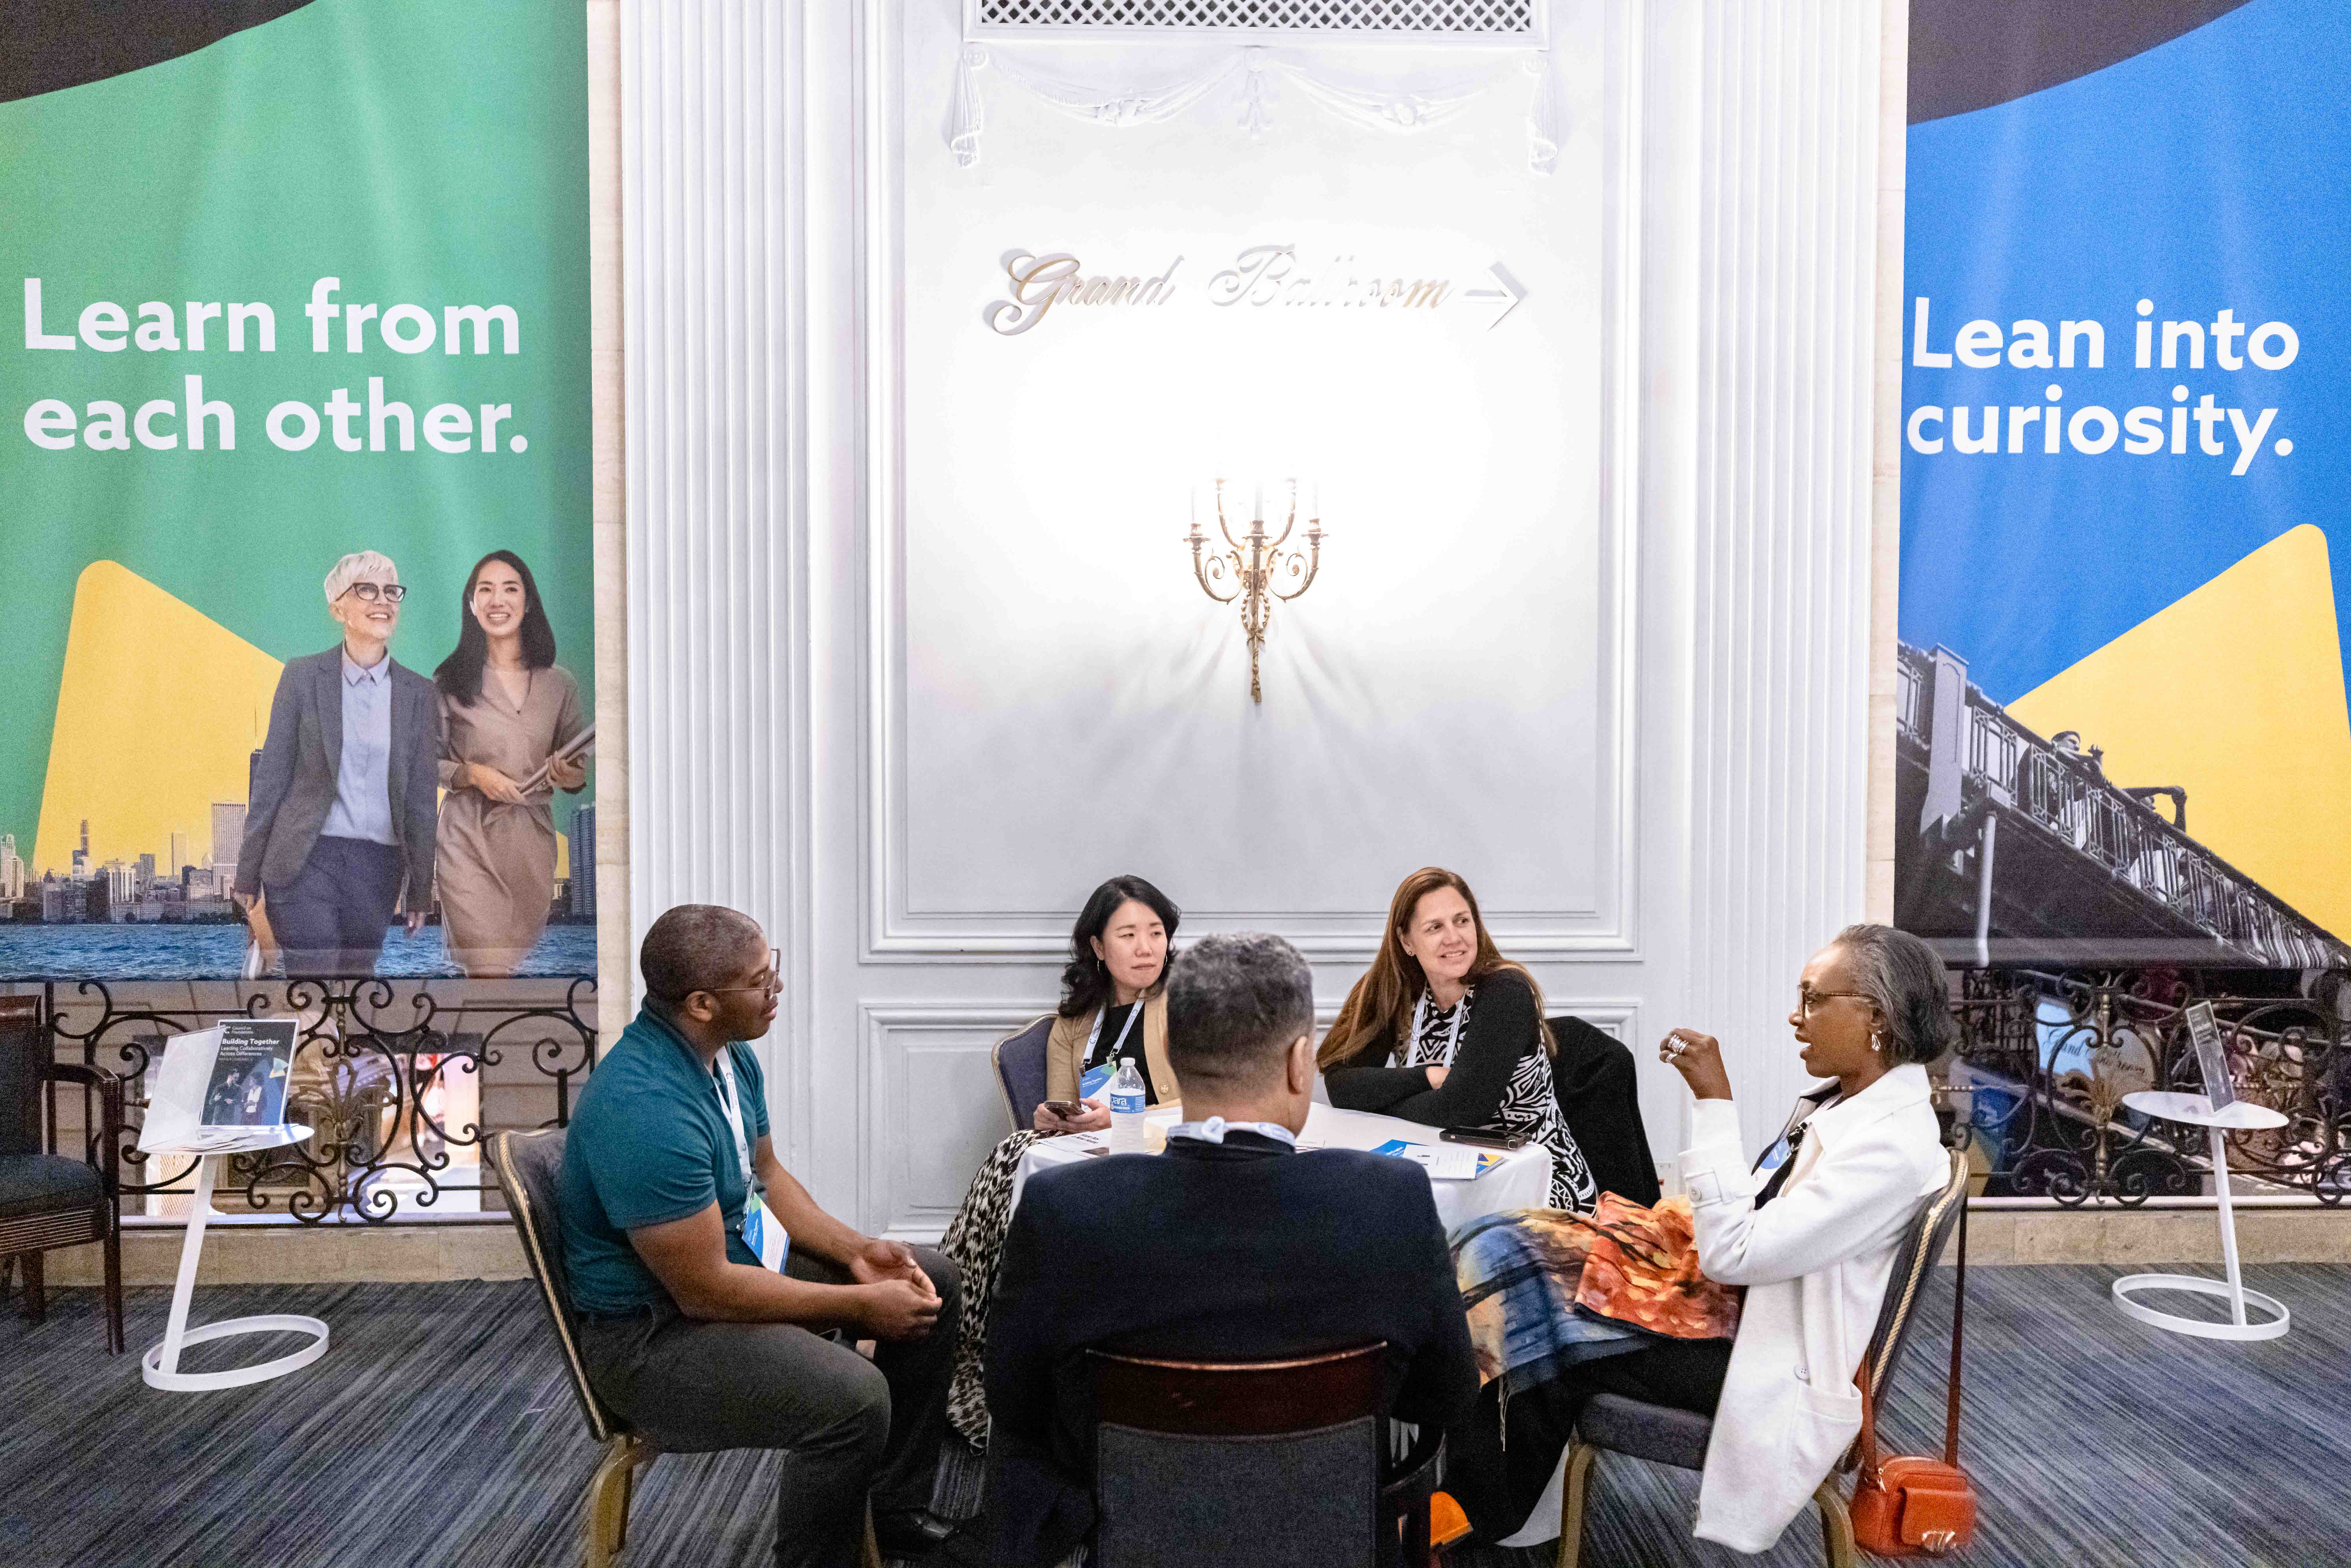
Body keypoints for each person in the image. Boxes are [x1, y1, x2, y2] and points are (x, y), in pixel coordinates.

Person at [1443, 923, 1954, 1555]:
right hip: (1740, 1312)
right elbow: (1759, 1219)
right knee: (1502, 1242)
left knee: (1530, 1318)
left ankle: (1466, 1527)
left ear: (1876, 1015)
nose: (1797, 1018)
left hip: (1762, 1357)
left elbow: (1736, 1251)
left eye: (1814, 999)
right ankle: (1471, 1517)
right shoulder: (1847, 1104)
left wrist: (1714, 1101)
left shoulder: (1891, 1145)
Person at [983, 932, 1480, 1568]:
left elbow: (1015, 1402)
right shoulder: (1393, 1200)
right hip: (1335, 1536)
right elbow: (1445, 1397)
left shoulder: (1064, 1206)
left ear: (1168, 1048)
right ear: (1302, 1063)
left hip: (1134, 1532)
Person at [560, 905, 966, 1567]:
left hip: (725, 1272)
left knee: (932, 1281)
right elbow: (707, 1292)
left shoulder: (728, 1058)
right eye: (759, 980)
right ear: (700, 1002)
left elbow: (766, 1177)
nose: (775, 988)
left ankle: (891, 1510)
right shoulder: (647, 1110)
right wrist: (857, 1305)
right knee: (852, 1398)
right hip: (652, 1338)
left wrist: (857, 1251)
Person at [937, 875, 1180, 1448]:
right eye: (1129, 934)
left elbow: (1210, 1102)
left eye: (1156, 933)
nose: (1147, 947)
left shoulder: (1190, 1005)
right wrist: (1056, 1114)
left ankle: (953, 1317)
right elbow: (1055, 1113)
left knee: (1010, 1155)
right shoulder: (1074, 1022)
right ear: (1098, 947)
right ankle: (973, 1337)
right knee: (1023, 1148)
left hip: (1164, 1161)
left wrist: (1127, 1119)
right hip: (1086, 1162)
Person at [1320, 866, 1606, 1212]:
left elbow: (1462, 1110)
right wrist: (1425, 1077)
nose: (1454, 937)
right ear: (1407, 941)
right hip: (1439, 1164)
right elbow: (1341, 1086)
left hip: (1537, 1183)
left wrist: (1381, 1102)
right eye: (1435, 927)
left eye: (1462, 921)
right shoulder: (1395, 990)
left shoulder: (1506, 990)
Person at [235, 551, 440, 977]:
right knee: (315, 981)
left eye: (391, 591)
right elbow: (271, 779)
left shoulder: (419, 693)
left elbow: (421, 799)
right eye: (366, 589)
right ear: (338, 608)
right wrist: (247, 875)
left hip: (379, 868)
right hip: (306, 860)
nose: (382, 600)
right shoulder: (302, 677)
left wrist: (421, 890)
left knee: (355, 985)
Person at [432, 550, 589, 976]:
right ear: (471, 603)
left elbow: (579, 769)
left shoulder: (561, 684)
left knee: (503, 970)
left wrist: (568, 774)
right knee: (485, 964)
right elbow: (426, 761)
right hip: (468, 836)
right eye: (485, 589)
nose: (497, 600)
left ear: (529, 601)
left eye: (510, 588)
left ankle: (478, 1043)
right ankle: (480, 1043)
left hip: (530, 842)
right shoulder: (449, 682)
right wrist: (471, 774)